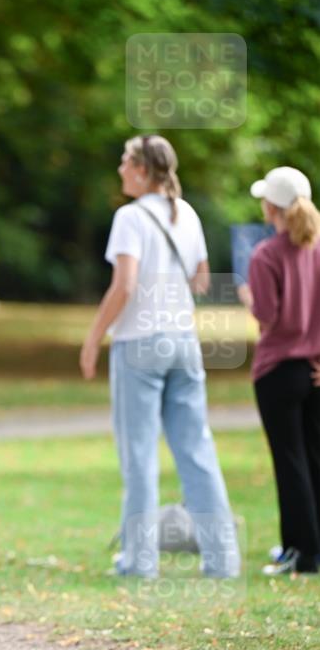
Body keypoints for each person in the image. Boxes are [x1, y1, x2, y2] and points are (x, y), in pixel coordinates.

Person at [80, 134, 240, 579]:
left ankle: (139, 562)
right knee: (197, 450)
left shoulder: (130, 217)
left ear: (143, 170)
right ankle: (223, 561)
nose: (119, 169)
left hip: (140, 344)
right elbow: (201, 278)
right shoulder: (185, 212)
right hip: (183, 342)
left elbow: (125, 286)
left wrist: (94, 337)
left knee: (139, 454)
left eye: (124, 161)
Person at [247, 167, 320, 576]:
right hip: (314, 370)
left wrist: (248, 296)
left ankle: (300, 552)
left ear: (271, 206)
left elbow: (269, 316)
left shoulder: (266, 255)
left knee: (288, 461)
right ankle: (312, 547)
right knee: (314, 458)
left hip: (278, 371)